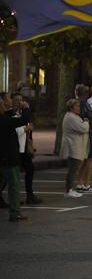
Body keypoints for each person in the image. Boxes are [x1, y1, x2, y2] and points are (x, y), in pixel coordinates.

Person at [0, 92, 32, 221]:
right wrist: (26, 109)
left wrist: (16, 110)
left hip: (4, 158)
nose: (6, 104)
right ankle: (15, 212)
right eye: (4, 102)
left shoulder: (4, 118)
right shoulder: (4, 120)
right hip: (8, 158)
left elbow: (9, 115)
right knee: (14, 185)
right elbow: (23, 120)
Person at [60, 99, 88, 198]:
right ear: (71, 108)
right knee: (72, 169)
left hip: (75, 145)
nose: (79, 108)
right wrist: (86, 123)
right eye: (77, 106)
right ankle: (68, 190)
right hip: (72, 146)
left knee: (74, 168)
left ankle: (70, 189)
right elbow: (83, 128)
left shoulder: (74, 117)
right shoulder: (71, 117)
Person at [77, 84, 92, 193]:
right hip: (91, 132)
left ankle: (80, 182)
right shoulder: (84, 104)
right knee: (91, 159)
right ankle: (86, 184)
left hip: (84, 133)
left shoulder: (78, 103)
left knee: (85, 159)